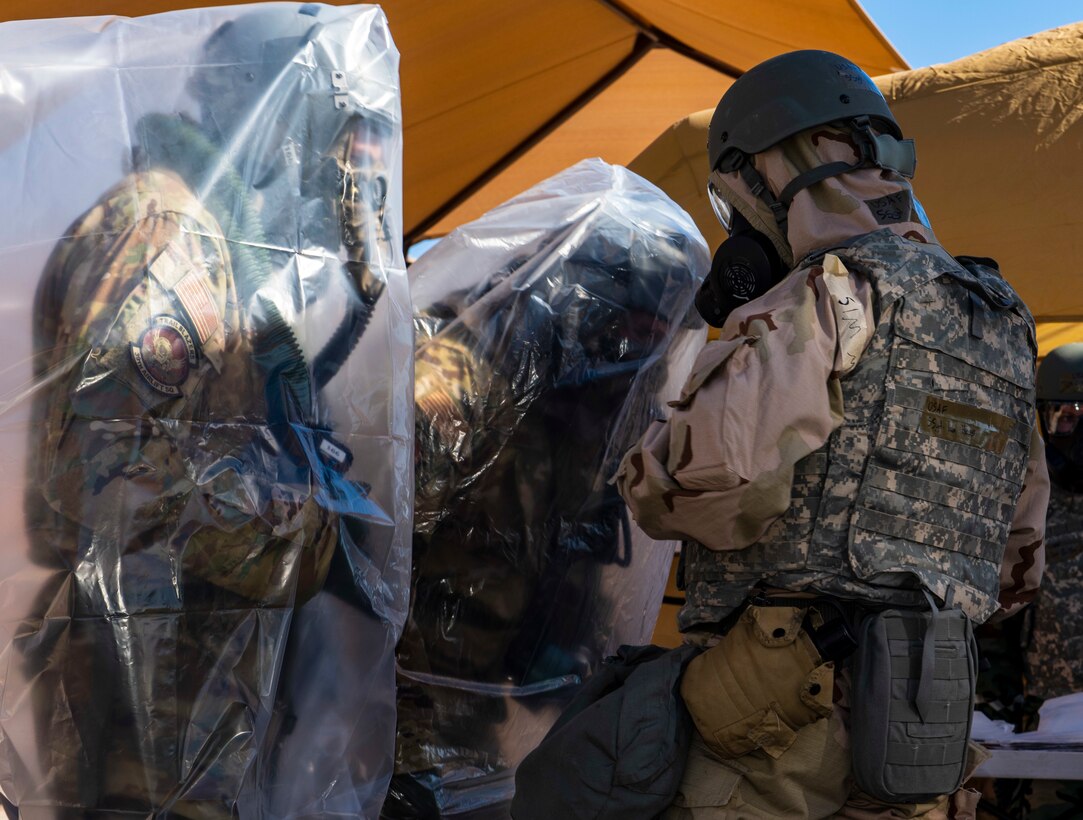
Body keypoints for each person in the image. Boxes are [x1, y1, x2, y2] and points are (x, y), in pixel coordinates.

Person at [616, 50, 1049, 819]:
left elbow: (713, 488)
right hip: (923, 700)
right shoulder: (1002, 321)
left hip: (776, 700)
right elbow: (1018, 561)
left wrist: (686, 404)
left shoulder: (829, 290)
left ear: (777, 165)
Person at [17, 6, 401, 816]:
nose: (345, 172)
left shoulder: (225, 243)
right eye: (336, 137)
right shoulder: (168, 234)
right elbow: (109, 476)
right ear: (275, 114)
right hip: (145, 712)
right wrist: (300, 533)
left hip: (190, 695)